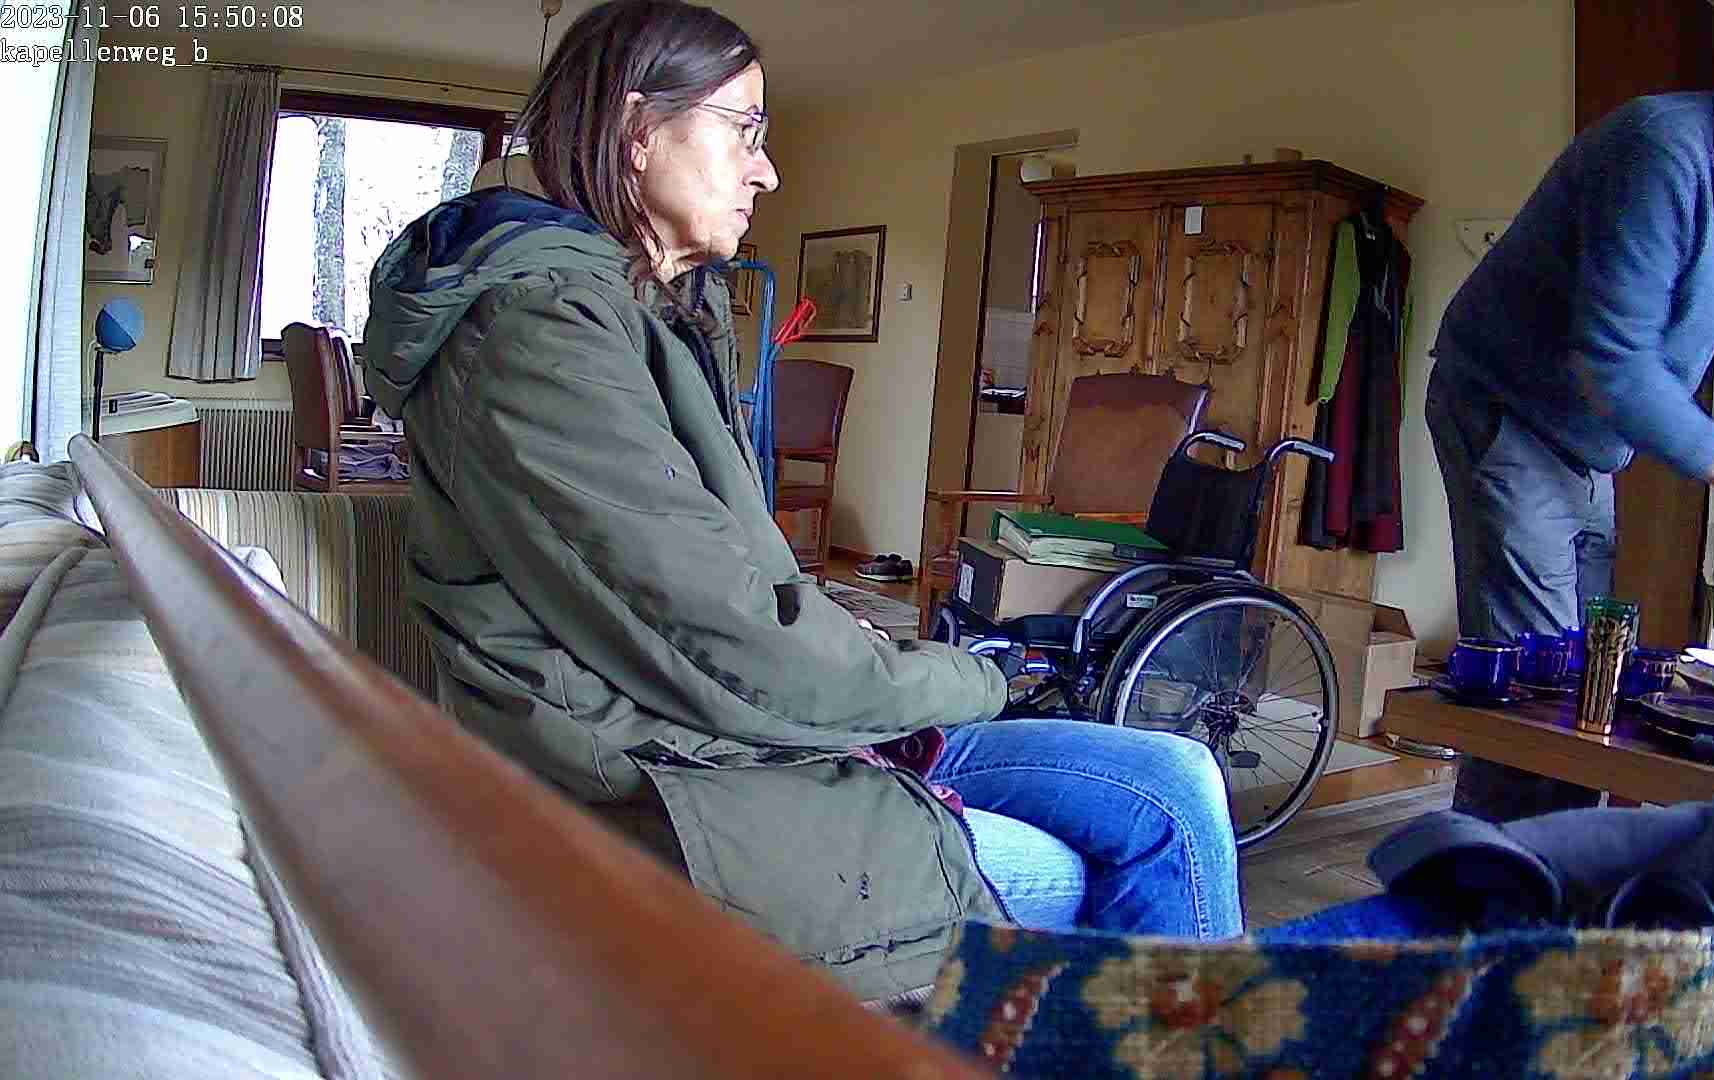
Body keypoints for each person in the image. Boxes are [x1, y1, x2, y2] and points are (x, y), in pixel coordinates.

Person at [358, 0, 1241, 1001]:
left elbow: (727, 590)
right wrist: (975, 675)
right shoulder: (539, 333)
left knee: (1176, 780)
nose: (766, 170)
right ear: (639, 130)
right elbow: (722, 640)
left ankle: (1177, 1046)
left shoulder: (651, 311)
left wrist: (873, 662)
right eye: (746, 129)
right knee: (1094, 858)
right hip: (663, 776)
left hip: (747, 736)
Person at [1426, 50, 1714, 822]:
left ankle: (1558, 854)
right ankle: (1495, 876)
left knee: (1590, 673)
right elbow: (1613, 363)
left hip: (1583, 445)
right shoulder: (1659, 153)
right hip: (1512, 417)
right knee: (1534, 691)